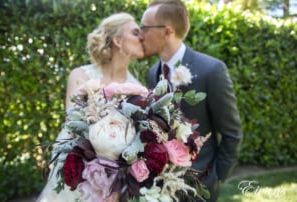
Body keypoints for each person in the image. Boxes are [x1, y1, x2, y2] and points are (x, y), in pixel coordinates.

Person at [141, 0, 243, 201]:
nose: (140, 34)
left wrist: (215, 177)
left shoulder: (211, 70)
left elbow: (232, 133)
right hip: (158, 188)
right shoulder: (152, 73)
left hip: (198, 187)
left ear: (167, 31)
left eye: (145, 27)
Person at [36, 12, 144, 202]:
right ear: (118, 40)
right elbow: (72, 125)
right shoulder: (81, 76)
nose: (142, 37)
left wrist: (116, 179)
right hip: (78, 174)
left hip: (116, 184)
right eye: (135, 32)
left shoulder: (139, 90)